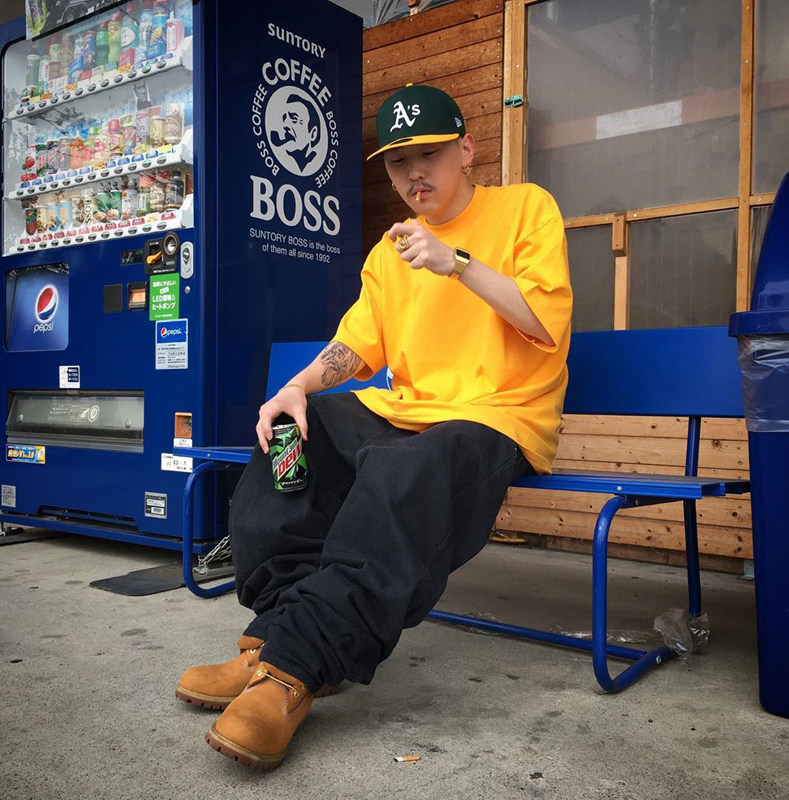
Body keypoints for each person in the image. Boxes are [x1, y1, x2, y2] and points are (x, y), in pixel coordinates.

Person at [176, 84, 573, 770]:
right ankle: (278, 634)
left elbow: (544, 323)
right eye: (397, 161)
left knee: (400, 473)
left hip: (496, 416)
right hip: (407, 413)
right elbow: (356, 348)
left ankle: (293, 669)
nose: (414, 173)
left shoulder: (525, 209)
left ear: (466, 150)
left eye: (429, 155)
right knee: (293, 441)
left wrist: (458, 264)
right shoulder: (391, 253)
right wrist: (294, 390)